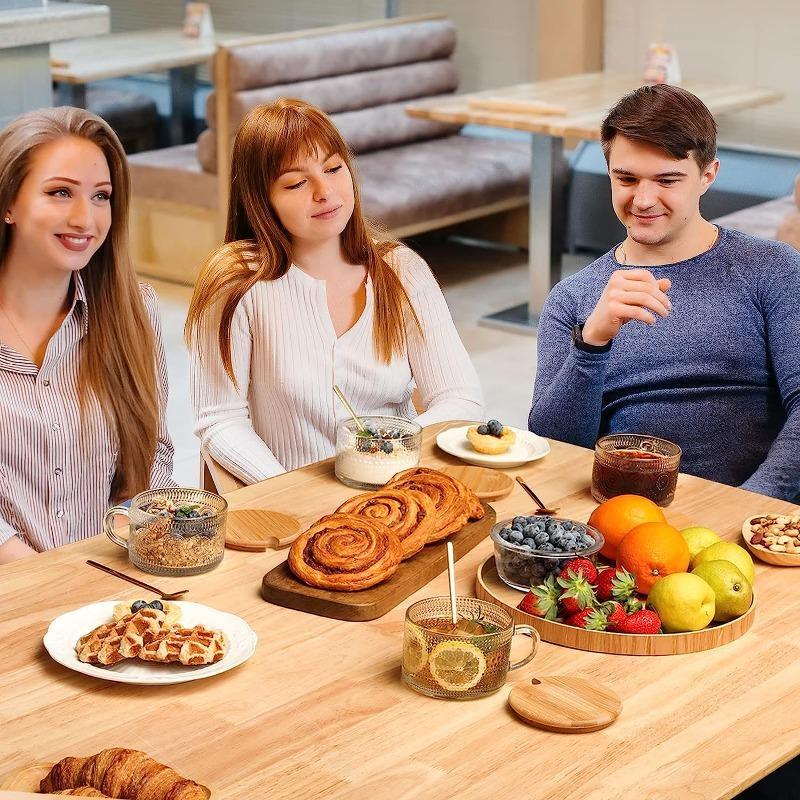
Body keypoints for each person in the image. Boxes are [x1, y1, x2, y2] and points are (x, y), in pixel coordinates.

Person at [186, 98, 482, 483]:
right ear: (260, 200)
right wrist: (289, 492)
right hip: (288, 506)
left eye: (333, 168)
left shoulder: (400, 271)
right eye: (296, 182)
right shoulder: (237, 282)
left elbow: (461, 399)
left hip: (396, 489)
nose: (324, 191)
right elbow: (220, 419)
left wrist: (386, 454)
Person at [529, 84, 800, 501]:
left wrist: (747, 505)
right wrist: (592, 343)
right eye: (627, 178)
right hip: (624, 514)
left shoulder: (772, 269)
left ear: (707, 176)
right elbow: (555, 446)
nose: (643, 199)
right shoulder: (574, 297)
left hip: (751, 515)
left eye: (667, 180)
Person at [0, 107, 174, 563]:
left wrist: (115, 552)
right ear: (8, 204)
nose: (85, 218)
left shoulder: (134, 312)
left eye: (101, 196)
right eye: (60, 192)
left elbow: (153, 457)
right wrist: (43, 577)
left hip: (106, 587)